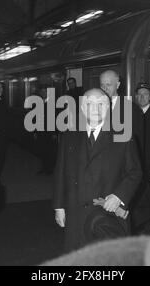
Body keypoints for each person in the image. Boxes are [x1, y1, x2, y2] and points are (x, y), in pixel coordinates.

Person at [53, 88, 142, 252]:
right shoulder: (69, 136)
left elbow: (135, 172)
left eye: (100, 103)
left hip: (108, 214)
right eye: (89, 103)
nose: (95, 108)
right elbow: (60, 172)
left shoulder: (123, 135)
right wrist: (59, 207)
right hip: (76, 214)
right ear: (82, 107)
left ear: (108, 107)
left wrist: (119, 196)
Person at [131, 82, 150, 234]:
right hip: (134, 163)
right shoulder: (130, 114)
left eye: (145, 94)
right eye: (139, 94)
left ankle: (149, 228)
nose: (142, 97)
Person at [99, 70, 142, 146]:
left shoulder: (132, 109)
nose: (104, 89)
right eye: (102, 85)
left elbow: (137, 143)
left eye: (108, 85)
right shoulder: (94, 108)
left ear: (118, 85)